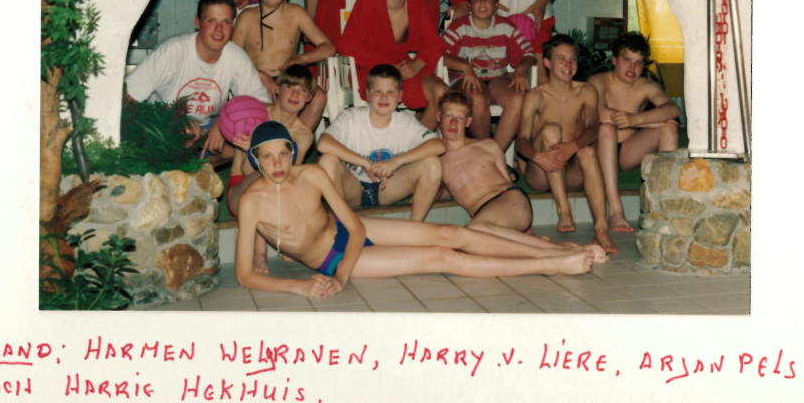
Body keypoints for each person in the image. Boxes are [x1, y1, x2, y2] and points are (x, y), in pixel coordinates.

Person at [235, 122, 603, 298]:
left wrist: (343, 279)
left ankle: (560, 250)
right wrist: (301, 286)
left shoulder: (311, 175)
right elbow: (245, 275)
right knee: (442, 257)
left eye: (283, 153)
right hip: (331, 258)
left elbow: (355, 227)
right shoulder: (253, 202)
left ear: (292, 152)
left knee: (453, 234)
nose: (277, 164)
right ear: (255, 160)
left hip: (351, 232)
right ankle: (550, 265)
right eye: (267, 157)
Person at [437, 91, 606, 263]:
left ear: (468, 122)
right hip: (487, 217)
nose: (453, 122)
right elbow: (449, 188)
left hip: (509, 200)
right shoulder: (436, 160)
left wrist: (525, 226)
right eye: (448, 115)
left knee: (473, 231)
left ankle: (560, 250)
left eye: (459, 117)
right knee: (469, 243)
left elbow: (507, 182)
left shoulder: (488, 146)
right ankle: (550, 246)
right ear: (438, 117)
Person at [125, 0, 271, 162]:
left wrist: (224, 122)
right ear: (197, 22)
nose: (219, 29)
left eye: (226, 22)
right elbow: (127, 98)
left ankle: (199, 168)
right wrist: (169, 125)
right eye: (211, 21)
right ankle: (181, 166)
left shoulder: (236, 56)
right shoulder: (173, 51)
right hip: (162, 126)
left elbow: (263, 106)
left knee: (252, 141)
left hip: (206, 127)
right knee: (175, 137)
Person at [516, 34, 617, 253]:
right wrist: (537, 156)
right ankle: (564, 209)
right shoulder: (536, 96)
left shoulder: (586, 91)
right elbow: (521, 141)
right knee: (551, 130)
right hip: (541, 172)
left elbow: (593, 128)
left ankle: (601, 229)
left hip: (571, 171)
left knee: (588, 152)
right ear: (547, 62)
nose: (568, 65)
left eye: (572, 59)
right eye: (561, 59)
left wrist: (574, 146)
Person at [337, 0, 449, 130]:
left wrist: (417, 63)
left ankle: (416, 146)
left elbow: (433, 42)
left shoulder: (417, 3)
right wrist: (385, 64)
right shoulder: (368, 1)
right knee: (386, 95)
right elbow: (347, 44)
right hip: (372, 70)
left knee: (442, 94)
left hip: (403, 70)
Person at [316, 64, 444, 222]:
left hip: (388, 188)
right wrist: (365, 163)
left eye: (390, 92)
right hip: (353, 187)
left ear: (400, 96)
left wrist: (396, 161)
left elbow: (438, 145)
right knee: (327, 161)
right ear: (367, 95)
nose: (384, 98)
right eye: (377, 92)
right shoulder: (351, 117)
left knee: (433, 163)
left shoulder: (405, 122)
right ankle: (340, 223)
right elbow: (323, 143)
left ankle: (414, 227)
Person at [226, 65, 319, 274]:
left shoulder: (303, 135)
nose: (295, 94)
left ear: (309, 98)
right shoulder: (256, 114)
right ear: (277, 89)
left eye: (303, 90)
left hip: (277, 193)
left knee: (289, 180)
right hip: (242, 190)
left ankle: (289, 240)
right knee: (265, 178)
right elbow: (247, 170)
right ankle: (259, 251)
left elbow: (293, 176)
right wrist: (254, 150)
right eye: (289, 87)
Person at [588, 31, 681, 233]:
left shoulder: (645, 86)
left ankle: (664, 204)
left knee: (669, 129)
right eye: (627, 60)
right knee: (607, 127)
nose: (632, 67)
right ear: (614, 60)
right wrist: (646, 121)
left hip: (628, 151)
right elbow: (599, 113)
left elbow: (672, 110)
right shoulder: (598, 81)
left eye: (639, 62)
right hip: (597, 148)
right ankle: (615, 210)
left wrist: (637, 119)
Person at [231, 0, 334, 131]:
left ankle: (294, 140)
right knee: (262, 102)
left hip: (288, 80)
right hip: (255, 79)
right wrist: (259, 74)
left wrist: (301, 59)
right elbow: (231, 56)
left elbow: (328, 47)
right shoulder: (247, 16)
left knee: (319, 96)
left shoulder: (296, 13)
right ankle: (270, 139)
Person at [443, 0, 536, 151]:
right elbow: (439, 54)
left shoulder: (505, 26)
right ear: (469, 4)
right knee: (477, 98)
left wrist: (520, 70)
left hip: (496, 80)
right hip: (465, 81)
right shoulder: (459, 27)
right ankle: (486, 154)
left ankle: (494, 154)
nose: (483, 2)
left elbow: (529, 55)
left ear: (496, 5)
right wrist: (465, 67)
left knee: (519, 98)